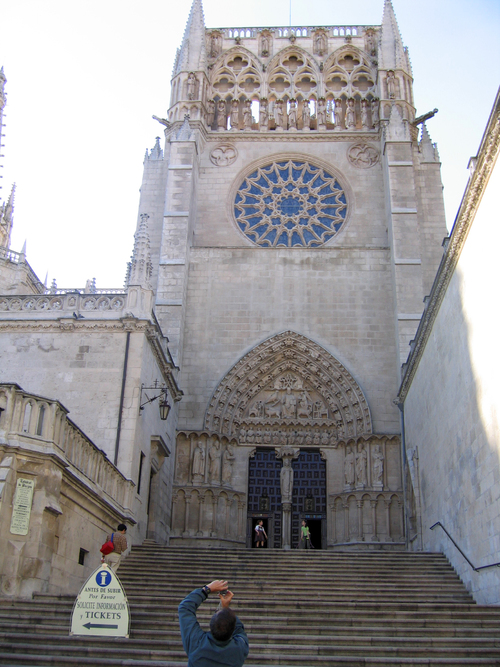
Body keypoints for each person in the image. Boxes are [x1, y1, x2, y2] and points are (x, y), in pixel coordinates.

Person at [178, 579, 249, 667]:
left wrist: (206, 590)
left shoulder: (197, 643)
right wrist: (225, 608)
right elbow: (239, 630)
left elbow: (185, 608)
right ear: (232, 630)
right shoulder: (239, 649)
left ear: (211, 625)